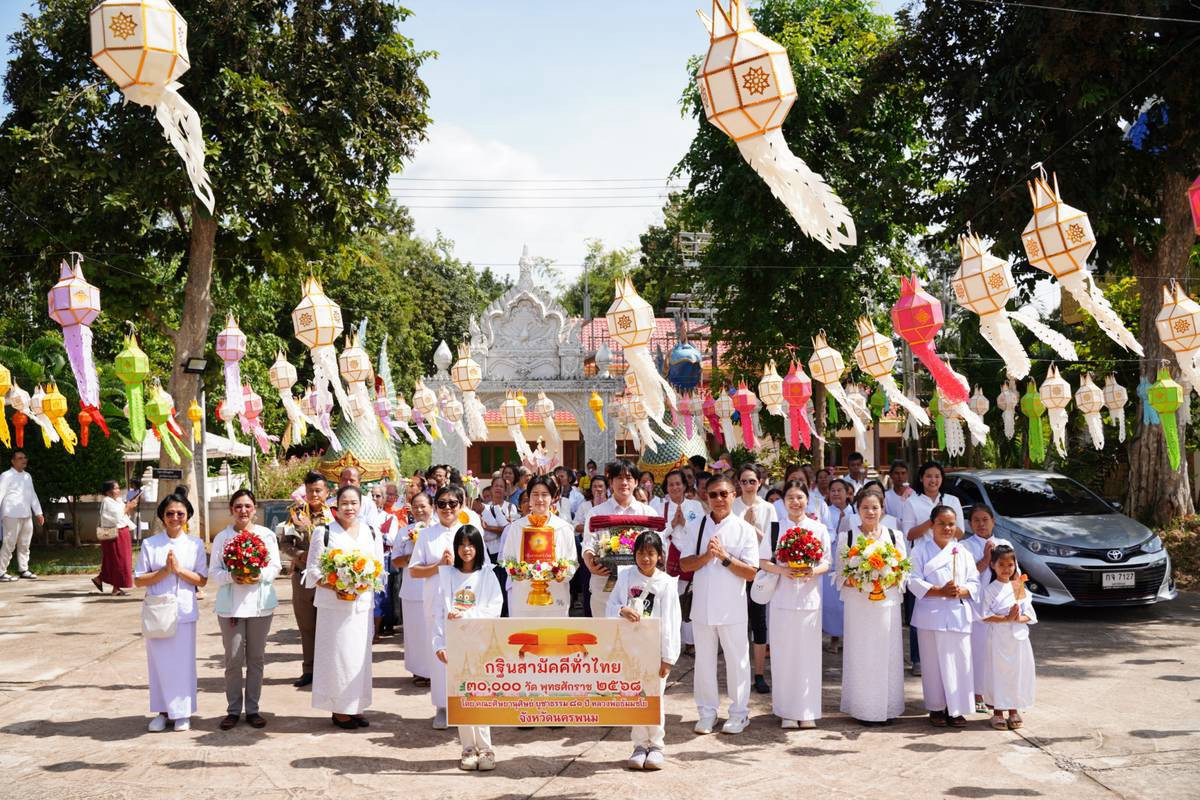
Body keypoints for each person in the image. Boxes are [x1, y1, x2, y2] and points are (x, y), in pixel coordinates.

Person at [678, 474, 759, 736]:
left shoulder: (744, 529)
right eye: (713, 494)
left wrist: (724, 558)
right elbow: (684, 564)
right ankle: (707, 712)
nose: (719, 499)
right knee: (703, 662)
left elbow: (751, 572)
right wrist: (706, 556)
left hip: (732, 608)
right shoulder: (697, 526)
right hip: (702, 606)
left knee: (737, 661)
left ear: (734, 495)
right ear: (706, 497)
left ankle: (739, 713)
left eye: (724, 494)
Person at [303, 485, 384, 729]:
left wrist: (362, 582)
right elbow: (313, 572)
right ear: (336, 506)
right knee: (337, 658)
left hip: (361, 606)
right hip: (333, 608)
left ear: (361, 506)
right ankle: (339, 709)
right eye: (345, 503)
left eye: (354, 503)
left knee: (359, 658)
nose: (349, 507)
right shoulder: (324, 532)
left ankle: (356, 706)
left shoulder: (371, 532)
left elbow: (378, 568)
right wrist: (336, 583)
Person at [134, 487, 208, 732]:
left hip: (184, 612)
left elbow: (201, 579)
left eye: (180, 513)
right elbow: (139, 580)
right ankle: (162, 712)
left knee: (183, 664)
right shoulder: (151, 544)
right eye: (170, 513)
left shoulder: (195, 545)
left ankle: (182, 713)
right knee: (158, 665)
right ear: (162, 516)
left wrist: (177, 571)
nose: (175, 518)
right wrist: (164, 571)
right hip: (158, 612)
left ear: (187, 516)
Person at [607, 530, 681, 770]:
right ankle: (639, 745)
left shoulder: (666, 583)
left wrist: (668, 657)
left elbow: (671, 620)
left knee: (654, 696)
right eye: (640, 553)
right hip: (631, 648)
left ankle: (657, 746)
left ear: (659, 556)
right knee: (635, 696)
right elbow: (612, 604)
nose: (645, 558)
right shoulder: (626, 576)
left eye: (651, 553)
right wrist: (622, 610)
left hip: (655, 649)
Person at [759, 480, 830, 729]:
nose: (795, 502)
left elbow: (827, 562)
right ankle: (787, 711)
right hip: (782, 599)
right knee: (784, 655)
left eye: (799, 497)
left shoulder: (818, 529)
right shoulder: (776, 528)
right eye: (790, 497)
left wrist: (812, 571)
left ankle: (807, 710)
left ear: (807, 499)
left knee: (808, 656)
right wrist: (782, 570)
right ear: (783, 501)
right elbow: (763, 560)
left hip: (810, 600)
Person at [432, 525, 503, 770]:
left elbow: (495, 608)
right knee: (461, 695)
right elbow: (439, 612)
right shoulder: (447, 576)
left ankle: (486, 749)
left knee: (481, 694)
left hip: (481, 644)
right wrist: (439, 643)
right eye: (461, 545)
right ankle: (468, 749)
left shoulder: (487, 575)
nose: (466, 549)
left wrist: (466, 613)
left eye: (471, 544)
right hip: (456, 645)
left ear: (479, 547)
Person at [208, 489, 280, 730]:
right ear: (231, 509)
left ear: (254, 509)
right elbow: (214, 573)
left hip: (260, 607)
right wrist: (232, 576)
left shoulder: (266, 536)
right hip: (232, 609)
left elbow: (275, 567)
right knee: (233, 659)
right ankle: (233, 710)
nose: (243, 510)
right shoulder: (223, 538)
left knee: (256, 659)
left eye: (247, 506)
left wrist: (257, 574)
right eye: (238, 506)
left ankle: (252, 709)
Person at [838, 486, 907, 725]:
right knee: (862, 653)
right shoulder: (847, 537)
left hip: (886, 603)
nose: (870, 512)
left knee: (886, 653)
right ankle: (863, 708)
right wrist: (860, 579)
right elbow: (838, 574)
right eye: (865, 507)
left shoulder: (894, 536)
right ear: (857, 509)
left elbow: (903, 569)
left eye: (875, 507)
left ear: (882, 509)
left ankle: (887, 707)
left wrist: (887, 577)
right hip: (859, 605)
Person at [909, 505, 979, 727]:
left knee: (960, 662)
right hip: (930, 614)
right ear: (932, 525)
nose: (947, 528)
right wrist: (940, 591)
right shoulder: (919, 550)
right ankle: (937, 708)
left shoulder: (963, 552)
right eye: (942, 523)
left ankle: (956, 708)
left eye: (951, 524)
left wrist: (961, 591)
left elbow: (975, 583)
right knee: (932, 664)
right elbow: (912, 580)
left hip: (957, 613)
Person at [410, 485, 472, 729]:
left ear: (461, 506)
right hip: (435, 602)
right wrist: (438, 565)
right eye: (442, 503)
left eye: (453, 503)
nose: (448, 508)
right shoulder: (427, 535)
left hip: (464, 602)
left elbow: (484, 567)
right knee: (439, 653)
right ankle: (442, 706)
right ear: (435, 507)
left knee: (465, 653)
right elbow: (414, 570)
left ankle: (464, 704)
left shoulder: (470, 532)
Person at [900, 461, 964, 677]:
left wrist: (945, 524)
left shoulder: (952, 500)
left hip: (949, 558)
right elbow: (908, 534)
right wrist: (932, 521)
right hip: (922, 559)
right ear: (921, 478)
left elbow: (961, 532)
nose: (933, 480)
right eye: (928, 476)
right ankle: (918, 659)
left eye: (937, 476)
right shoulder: (912, 503)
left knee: (949, 605)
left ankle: (949, 655)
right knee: (920, 609)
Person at [582, 461, 656, 618]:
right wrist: (590, 563)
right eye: (619, 478)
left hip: (638, 585)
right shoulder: (596, 513)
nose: (624, 483)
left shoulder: (649, 513)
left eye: (629, 478)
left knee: (636, 637)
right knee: (604, 637)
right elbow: (588, 544)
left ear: (636, 482)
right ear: (611, 482)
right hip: (604, 585)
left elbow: (658, 545)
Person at [500, 475, 577, 616]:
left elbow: (572, 562)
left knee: (554, 636)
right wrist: (518, 572)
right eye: (535, 494)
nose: (539, 499)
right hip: (523, 599)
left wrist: (561, 573)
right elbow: (507, 560)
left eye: (544, 494)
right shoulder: (517, 527)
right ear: (529, 497)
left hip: (555, 597)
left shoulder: (563, 528)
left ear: (553, 497)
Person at [282, 471, 331, 688]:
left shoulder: (334, 516)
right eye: (310, 490)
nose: (314, 494)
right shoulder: (294, 514)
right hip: (302, 577)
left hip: (326, 580)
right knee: (307, 626)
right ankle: (309, 670)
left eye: (318, 490)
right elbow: (284, 543)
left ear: (327, 492)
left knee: (327, 626)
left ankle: (327, 670)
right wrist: (300, 556)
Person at [730, 463, 776, 694]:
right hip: (736, 569)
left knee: (759, 623)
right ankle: (739, 672)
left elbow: (772, 543)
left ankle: (759, 673)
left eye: (752, 481)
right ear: (738, 483)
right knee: (738, 622)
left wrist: (752, 527)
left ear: (760, 482)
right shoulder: (731, 505)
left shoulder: (769, 508)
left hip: (760, 571)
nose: (748, 485)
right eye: (744, 481)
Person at [981, 544, 1036, 730]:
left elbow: (1030, 614)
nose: (1007, 569)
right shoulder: (989, 590)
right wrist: (1006, 618)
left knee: (1016, 673)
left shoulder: (1018, 586)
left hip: (1017, 640)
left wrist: (1018, 618)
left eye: (1010, 565)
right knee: (998, 673)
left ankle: (1013, 710)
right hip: (998, 639)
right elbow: (984, 615)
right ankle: (997, 712)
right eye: (1002, 565)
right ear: (993, 565)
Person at [659, 469, 703, 650]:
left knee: (690, 600)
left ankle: (691, 642)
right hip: (669, 557)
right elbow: (656, 535)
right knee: (670, 600)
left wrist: (684, 523)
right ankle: (671, 643)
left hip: (690, 557)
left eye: (678, 483)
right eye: (671, 484)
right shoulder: (660, 506)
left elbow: (700, 534)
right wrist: (672, 525)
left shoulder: (695, 507)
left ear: (685, 485)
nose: (675, 487)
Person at [393, 490, 434, 688]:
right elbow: (396, 561)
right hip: (412, 590)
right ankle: (419, 671)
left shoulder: (438, 530)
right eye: (415, 506)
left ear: (431, 507)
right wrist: (413, 555)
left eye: (423, 506)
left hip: (435, 587)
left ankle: (436, 670)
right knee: (415, 634)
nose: (419, 510)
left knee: (435, 632)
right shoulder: (404, 532)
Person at [0, 451, 44, 582]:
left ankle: (23, 569)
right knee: (9, 543)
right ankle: (1, 571)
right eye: (20, 458)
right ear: (12, 461)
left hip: (26, 514)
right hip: (11, 514)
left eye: (25, 457)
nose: (24, 460)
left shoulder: (27, 476)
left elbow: (32, 495)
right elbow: (0, 492)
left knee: (25, 543)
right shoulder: (6, 475)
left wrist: (38, 512)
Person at [821, 478, 854, 652]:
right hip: (831, 561)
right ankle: (834, 639)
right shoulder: (826, 512)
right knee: (832, 603)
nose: (835, 493)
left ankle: (850, 640)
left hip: (851, 561)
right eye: (832, 490)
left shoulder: (854, 512)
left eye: (839, 490)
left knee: (849, 603)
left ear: (848, 493)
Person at [93, 479, 136, 595]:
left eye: (118, 488)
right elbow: (117, 516)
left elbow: (124, 514)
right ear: (108, 492)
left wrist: (129, 506)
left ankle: (100, 579)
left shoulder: (117, 500)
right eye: (115, 488)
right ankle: (115, 589)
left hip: (122, 532)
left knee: (115, 560)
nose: (118, 490)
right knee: (119, 560)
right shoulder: (107, 501)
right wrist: (128, 507)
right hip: (115, 534)